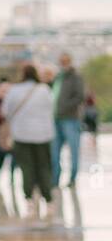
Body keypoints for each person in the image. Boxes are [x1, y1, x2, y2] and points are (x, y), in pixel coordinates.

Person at [4, 64, 55, 221]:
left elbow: (5, 111)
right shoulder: (44, 90)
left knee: (26, 168)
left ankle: (29, 200)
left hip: (21, 135)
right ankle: (48, 200)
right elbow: (52, 108)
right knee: (44, 167)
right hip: (43, 135)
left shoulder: (14, 90)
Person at [52, 53, 85, 188]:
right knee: (54, 151)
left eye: (65, 61)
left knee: (74, 150)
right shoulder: (58, 77)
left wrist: (65, 106)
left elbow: (80, 97)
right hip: (56, 118)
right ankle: (55, 178)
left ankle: (72, 178)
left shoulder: (76, 77)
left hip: (70, 119)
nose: (63, 63)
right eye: (61, 61)